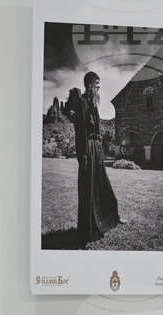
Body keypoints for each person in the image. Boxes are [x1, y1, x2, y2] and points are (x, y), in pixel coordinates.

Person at [64, 71, 121, 245]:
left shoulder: (93, 103)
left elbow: (96, 129)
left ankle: (110, 217)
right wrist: (83, 155)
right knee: (88, 189)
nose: (98, 87)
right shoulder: (82, 103)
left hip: (95, 148)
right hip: (87, 148)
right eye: (96, 83)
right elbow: (80, 131)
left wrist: (100, 148)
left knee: (102, 185)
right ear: (89, 85)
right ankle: (88, 230)